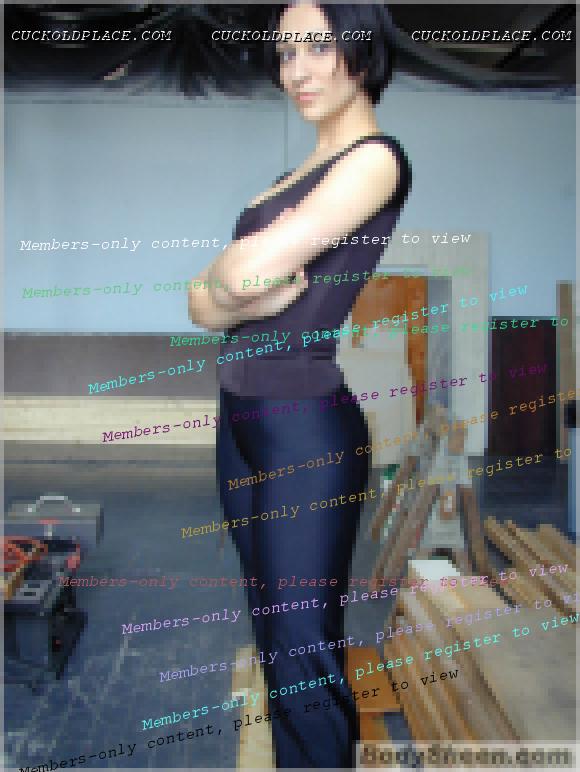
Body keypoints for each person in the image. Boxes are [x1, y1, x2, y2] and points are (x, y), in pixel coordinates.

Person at [188, 2, 411, 766]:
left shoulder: (376, 160)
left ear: (362, 48)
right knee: (273, 635)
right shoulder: (289, 181)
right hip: (240, 420)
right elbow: (200, 306)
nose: (298, 70)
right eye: (286, 53)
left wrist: (233, 284)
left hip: (304, 428)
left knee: (303, 652)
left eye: (317, 47)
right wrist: (234, 292)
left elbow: (233, 280)